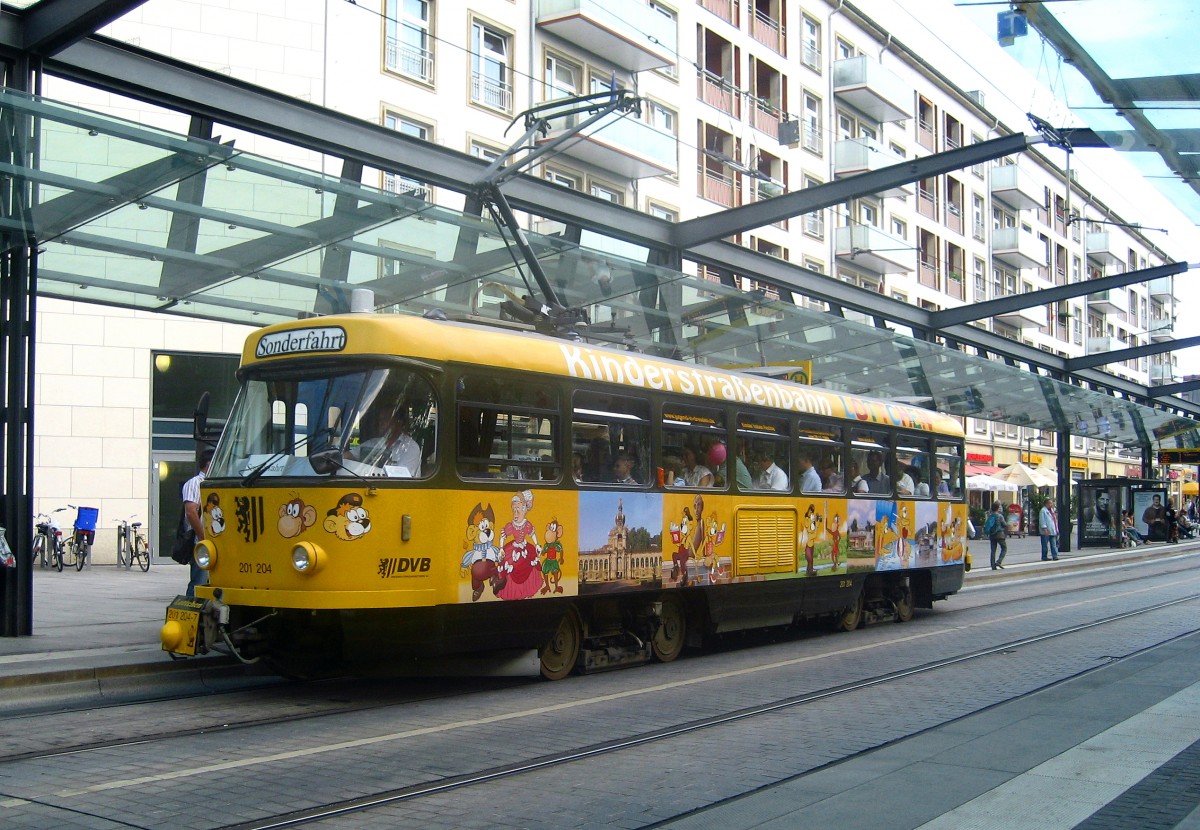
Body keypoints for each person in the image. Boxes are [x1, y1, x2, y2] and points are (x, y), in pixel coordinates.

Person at [182, 449, 214, 597]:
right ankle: (190, 611)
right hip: (202, 542)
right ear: (209, 464)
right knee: (198, 582)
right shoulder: (195, 483)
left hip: (215, 541)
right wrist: (202, 536)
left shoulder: (215, 483)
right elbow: (190, 511)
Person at [357, 406, 421, 476]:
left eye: (385, 419)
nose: (380, 423)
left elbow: (402, 479)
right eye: (380, 420)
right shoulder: (373, 443)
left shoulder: (410, 447)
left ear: (399, 422)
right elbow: (347, 455)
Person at [983, 501, 1007, 570]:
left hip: (992, 535)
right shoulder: (1000, 516)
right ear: (997, 508)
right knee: (1004, 548)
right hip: (999, 534)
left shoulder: (990, 516)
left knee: (993, 550)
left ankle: (993, 566)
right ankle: (999, 561)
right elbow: (1004, 524)